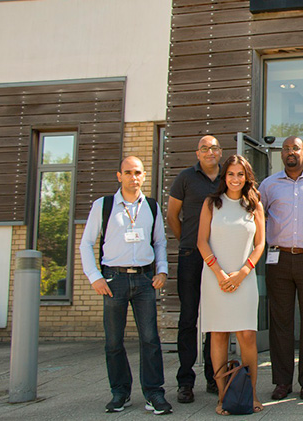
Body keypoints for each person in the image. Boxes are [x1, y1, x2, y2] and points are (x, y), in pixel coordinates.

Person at [79, 156, 172, 415]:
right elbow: (86, 243)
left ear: (144, 176)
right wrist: (94, 277)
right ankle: (120, 392)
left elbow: (160, 243)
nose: (134, 177)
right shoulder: (104, 205)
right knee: (113, 341)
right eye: (128, 172)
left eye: (138, 172)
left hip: (144, 280)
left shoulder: (152, 207)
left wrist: (162, 271)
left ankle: (154, 393)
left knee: (150, 339)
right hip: (113, 280)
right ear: (118, 175)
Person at [196, 154, 266, 414]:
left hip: (244, 279)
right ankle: (223, 397)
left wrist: (243, 272)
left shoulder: (254, 204)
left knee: (247, 335)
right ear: (224, 177)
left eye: (240, 174)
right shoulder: (211, 204)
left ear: (247, 177)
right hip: (215, 279)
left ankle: (250, 395)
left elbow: (260, 244)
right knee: (219, 335)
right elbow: (202, 241)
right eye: (231, 174)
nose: (235, 179)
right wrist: (220, 274)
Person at [258, 137, 303, 401]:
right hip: (279, 259)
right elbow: (256, 217)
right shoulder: (269, 185)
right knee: (280, 323)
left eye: (295, 148)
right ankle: (282, 381)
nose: (290, 152)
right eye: (286, 149)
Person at [167, 136, 223, 402]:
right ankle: (185, 382)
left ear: (220, 152)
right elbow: (172, 215)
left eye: (214, 148)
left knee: (215, 321)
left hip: (220, 258)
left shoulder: (228, 177)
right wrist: (188, 242)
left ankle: (214, 377)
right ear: (197, 153)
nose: (209, 152)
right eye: (204, 148)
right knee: (188, 318)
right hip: (191, 256)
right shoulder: (185, 178)